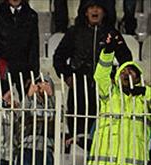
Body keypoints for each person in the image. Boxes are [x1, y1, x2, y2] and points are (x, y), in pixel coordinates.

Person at [88, 33, 149, 165]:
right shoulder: (109, 94)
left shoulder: (144, 98)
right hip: (108, 157)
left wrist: (145, 91)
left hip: (134, 159)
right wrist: (108, 51)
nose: (127, 74)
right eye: (123, 71)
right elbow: (100, 75)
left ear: (138, 76)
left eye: (132, 71)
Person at [52, 0, 131, 138]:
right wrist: (68, 76)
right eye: (91, 7)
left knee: (102, 134)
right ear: (85, 12)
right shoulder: (74, 32)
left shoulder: (112, 34)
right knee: (78, 134)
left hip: (104, 92)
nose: (95, 11)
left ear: (104, 12)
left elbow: (126, 59)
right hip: (79, 90)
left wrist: (115, 76)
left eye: (98, 8)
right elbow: (58, 57)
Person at [0, 0, 39, 85]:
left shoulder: (31, 15)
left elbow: (34, 46)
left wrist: (33, 73)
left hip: (24, 69)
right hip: (2, 68)